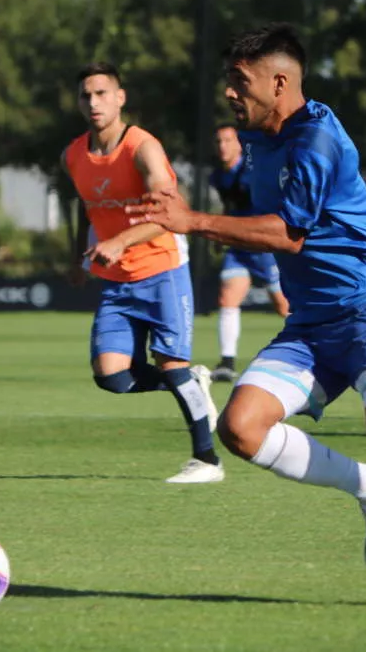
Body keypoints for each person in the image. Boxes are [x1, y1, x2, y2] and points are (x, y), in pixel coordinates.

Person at [128, 24, 366, 613]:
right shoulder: (260, 140)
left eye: (241, 82)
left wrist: (196, 221)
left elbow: (290, 234)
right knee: (240, 428)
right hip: (312, 325)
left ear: (280, 82)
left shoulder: (317, 138)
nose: (231, 94)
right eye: (229, 82)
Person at [62, 62, 222, 484]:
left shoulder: (142, 147)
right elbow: (84, 204)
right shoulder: (74, 154)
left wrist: (119, 241)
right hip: (117, 279)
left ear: (120, 98)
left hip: (162, 269)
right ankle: (191, 382)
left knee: (171, 365)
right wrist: (80, 254)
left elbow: (174, 215)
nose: (93, 102)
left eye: (101, 93)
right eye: (86, 95)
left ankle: (207, 460)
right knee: (111, 377)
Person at [208, 123, 288, 383]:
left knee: (283, 306)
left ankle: (315, 351)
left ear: (239, 144)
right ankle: (227, 362)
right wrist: (220, 232)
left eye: (228, 140)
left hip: (262, 245)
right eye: (218, 141)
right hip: (238, 246)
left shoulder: (251, 171)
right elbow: (231, 207)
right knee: (227, 298)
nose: (223, 146)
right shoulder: (218, 176)